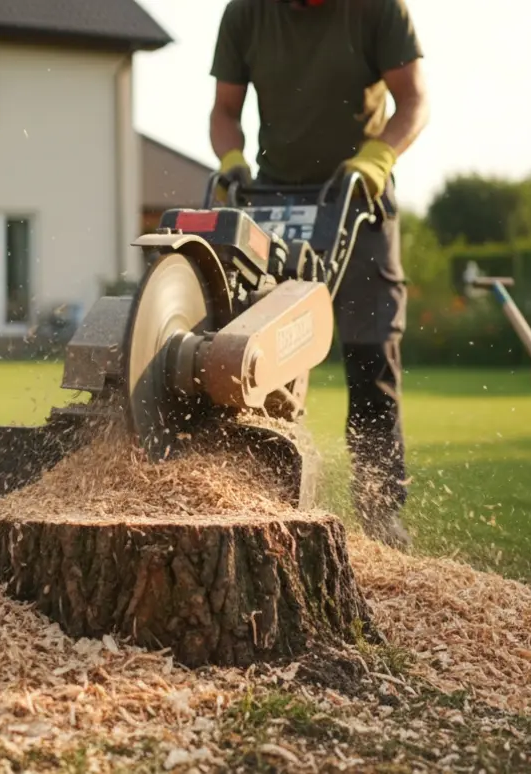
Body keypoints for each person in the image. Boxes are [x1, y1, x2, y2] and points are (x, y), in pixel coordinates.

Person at [208, 0, 430, 552]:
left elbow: (414, 100)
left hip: (357, 197)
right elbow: (224, 110)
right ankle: (247, 501)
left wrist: (378, 158)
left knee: (372, 354)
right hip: (271, 200)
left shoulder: (378, 9)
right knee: (246, 353)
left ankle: (380, 515)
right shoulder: (246, 14)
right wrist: (230, 157)